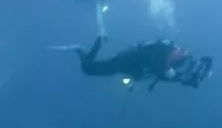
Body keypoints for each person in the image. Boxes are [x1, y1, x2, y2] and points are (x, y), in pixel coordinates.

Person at [70, 36, 213, 90]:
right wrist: (178, 76)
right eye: (182, 50)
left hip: (128, 67)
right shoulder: (167, 51)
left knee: (88, 69)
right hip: (125, 61)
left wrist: (184, 78)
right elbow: (162, 67)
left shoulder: (176, 63)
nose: (183, 52)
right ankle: (95, 43)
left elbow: (162, 75)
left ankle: (81, 49)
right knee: (88, 69)